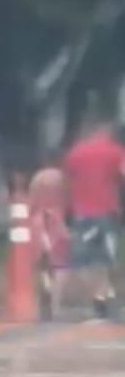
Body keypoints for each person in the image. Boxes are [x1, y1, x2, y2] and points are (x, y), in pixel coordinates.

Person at [62, 120, 125, 319]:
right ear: (105, 131)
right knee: (107, 258)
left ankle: (99, 297)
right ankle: (107, 295)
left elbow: (67, 180)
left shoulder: (75, 153)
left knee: (82, 261)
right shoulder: (115, 151)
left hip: (82, 214)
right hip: (108, 212)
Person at [29, 161, 70, 319]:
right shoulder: (62, 178)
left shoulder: (37, 178)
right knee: (61, 266)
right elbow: (67, 201)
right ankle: (56, 304)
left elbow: (32, 202)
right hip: (57, 221)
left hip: (38, 222)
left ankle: (44, 297)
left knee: (43, 265)